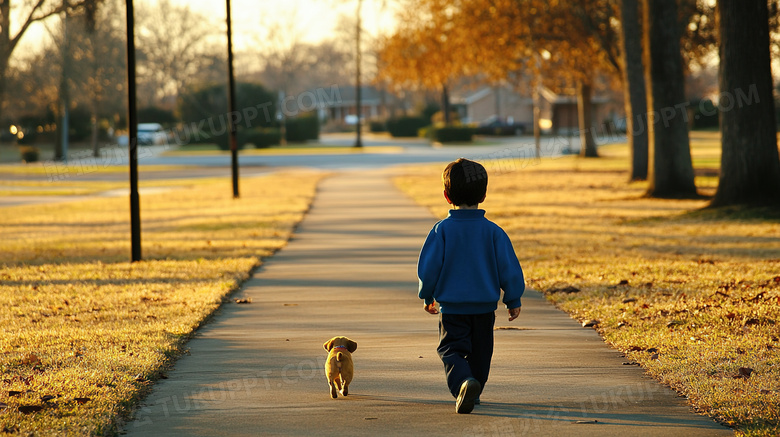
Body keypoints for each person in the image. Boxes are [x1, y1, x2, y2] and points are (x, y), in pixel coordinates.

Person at [417, 158, 525, 414]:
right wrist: (513, 299)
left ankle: (464, 383)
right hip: (485, 308)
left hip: (453, 308)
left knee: (451, 349)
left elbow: (429, 267)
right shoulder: (494, 232)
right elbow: (508, 268)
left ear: (446, 195)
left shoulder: (441, 231)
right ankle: (474, 388)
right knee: (481, 353)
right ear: (484, 195)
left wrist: (427, 294)